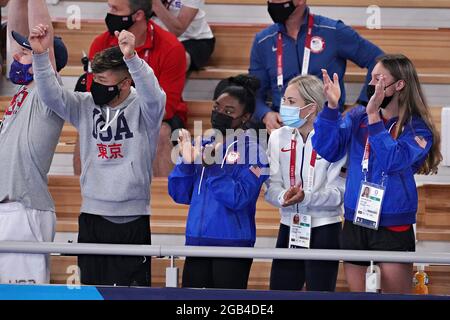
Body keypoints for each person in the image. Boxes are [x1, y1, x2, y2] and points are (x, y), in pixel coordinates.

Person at [30, 23, 166, 286]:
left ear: (125, 84)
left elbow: (155, 95)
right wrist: (39, 55)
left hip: (133, 219)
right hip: (92, 216)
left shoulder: (144, 108)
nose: (96, 87)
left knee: (132, 294)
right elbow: (51, 96)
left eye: (104, 82)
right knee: (91, 290)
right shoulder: (85, 104)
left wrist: (132, 58)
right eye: (95, 79)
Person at [313, 54, 442, 293]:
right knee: (358, 295)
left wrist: (374, 118)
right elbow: (327, 149)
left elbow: (393, 161)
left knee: (396, 296)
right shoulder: (356, 117)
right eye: (370, 78)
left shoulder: (417, 128)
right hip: (355, 218)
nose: (371, 84)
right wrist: (331, 108)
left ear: (399, 85)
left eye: (378, 78)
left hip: (393, 222)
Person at [168, 75, 269, 289]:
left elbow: (240, 198)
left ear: (245, 117)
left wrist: (212, 167)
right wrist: (186, 164)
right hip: (196, 241)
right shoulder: (200, 143)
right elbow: (179, 194)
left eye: (229, 111)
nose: (220, 114)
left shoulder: (255, 151)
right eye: (217, 107)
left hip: (232, 245)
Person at [73, 0, 187, 177]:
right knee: (86, 128)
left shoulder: (171, 47)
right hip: (111, 111)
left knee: (162, 133)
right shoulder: (101, 43)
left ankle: (165, 201)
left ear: (138, 15)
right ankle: (84, 197)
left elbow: (167, 108)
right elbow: (93, 92)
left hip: (157, 117)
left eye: (115, 9)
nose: (109, 13)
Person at [0, 0, 67, 284]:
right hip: (7, 209)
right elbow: (14, 35)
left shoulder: (47, 93)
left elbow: (44, 45)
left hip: (23, 211)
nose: (16, 56)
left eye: (26, 52)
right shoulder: (22, 93)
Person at [249, 0, 383, 132]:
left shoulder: (333, 31)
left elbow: (380, 61)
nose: (272, 1)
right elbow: (254, 92)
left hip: (327, 126)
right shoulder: (263, 41)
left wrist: (362, 104)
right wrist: (265, 114)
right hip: (283, 127)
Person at [265, 75, 346, 291]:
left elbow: (339, 192)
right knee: (280, 293)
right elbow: (271, 185)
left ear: (311, 107)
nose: (284, 106)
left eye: (291, 102)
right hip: (289, 224)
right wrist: (284, 197)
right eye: (284, 100)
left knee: (320, 295)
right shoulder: (277, 137)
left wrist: (307, 197)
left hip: (324, 227)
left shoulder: (334, 137)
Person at [151, 0, 215, 72]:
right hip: (157, 38)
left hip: (194, 39)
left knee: (176, 58)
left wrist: (156, 4)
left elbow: (178, 30)